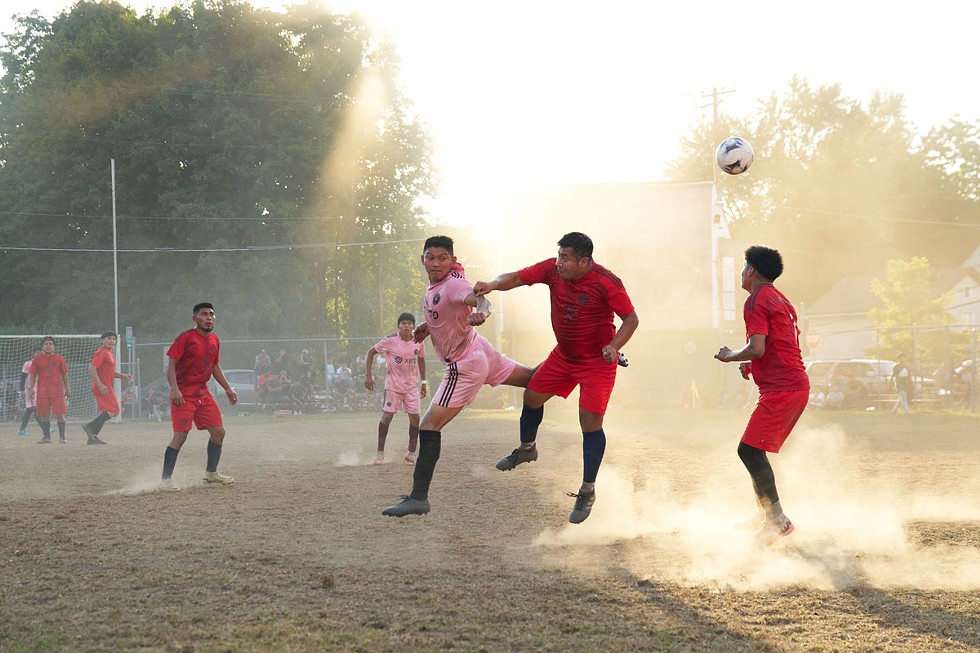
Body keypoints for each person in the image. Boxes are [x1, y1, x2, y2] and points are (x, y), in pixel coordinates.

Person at [474, 231, 639, 524]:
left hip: (596, 363)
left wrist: (614, 347)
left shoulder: (606, 282)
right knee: (531, 396)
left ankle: (587, 490)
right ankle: (527, 450)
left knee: (589, 422)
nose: (559, 262)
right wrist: (492, 285)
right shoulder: (552, 270)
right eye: (559, 255)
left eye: (565, 258)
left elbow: (631, 319)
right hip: (563, 356)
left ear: (584, 261)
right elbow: (515, 277)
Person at [382, 235, 538, 517]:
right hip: (480, 350)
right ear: (422, 260)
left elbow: (476, 299)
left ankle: (418, 498)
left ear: (452, 261)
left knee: (428, 427)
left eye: (443, 258)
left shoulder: (453, 284)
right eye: (431, 257)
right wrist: (427, 325)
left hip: (464, 365)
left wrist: (482, 310)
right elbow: (445, 310)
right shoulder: (438, 285)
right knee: (534, 379)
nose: (436, 263)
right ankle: (579, 370)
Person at [714, 245, 810, 545]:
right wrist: (754, 366)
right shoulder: (781, 298)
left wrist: (731, 356)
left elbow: (757, 347)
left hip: (783, 388)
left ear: (751, 270)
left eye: (743, 267)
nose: (741, 273)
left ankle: (777, 521)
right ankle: (766, 514)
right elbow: (776, 347)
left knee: (749, 451)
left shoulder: (756, 299)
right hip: (792, 385)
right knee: (755, 451)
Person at [159, 302, 238, 491]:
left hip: (203, 393)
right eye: (204, 314)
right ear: (195, 318)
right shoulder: (186, 338)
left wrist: (227, 388)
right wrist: (175, 389)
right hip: (183, 394)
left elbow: (214, 366)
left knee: (219, 432)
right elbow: (171, 365)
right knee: (180, 436)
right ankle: (165, 481)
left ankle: (211, 474)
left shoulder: (215, 340)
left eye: (211, 314)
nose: (209, 317)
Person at [365, 312, 428, 465]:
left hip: (412, 387)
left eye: (409, 323)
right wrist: (368, 375)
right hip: (393, 386)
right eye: (403, 323)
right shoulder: (390, 340)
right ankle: (380, 453)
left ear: (413, 326)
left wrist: (424, 382)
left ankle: (411, 453)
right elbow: (370, 353)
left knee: (415, 417)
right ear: (399, 326)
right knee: (387, 417)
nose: (406, 326)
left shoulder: (418, 340)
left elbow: (421, 360)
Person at [81, 331, 134, 445]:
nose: (112, 341)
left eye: (114, 339)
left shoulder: (108, 353)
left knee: (105, 412)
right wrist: (100, 385)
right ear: (102, 340)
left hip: (104, 386)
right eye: (108, 338)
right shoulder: (102, 352)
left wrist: (122, 376)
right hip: (103, 387)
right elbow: (92, 368)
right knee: (114, 410)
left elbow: (109, 372)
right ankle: (89, 427)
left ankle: (92, 437)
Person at [28, 336, 71, 444]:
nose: (48, 346)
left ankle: (62, 437)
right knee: (44, 415)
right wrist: (31, 388)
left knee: (60, 414)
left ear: (54, 347)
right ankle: (47, 437)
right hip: (42, 392)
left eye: (51, 344)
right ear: (42, 346)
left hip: (58, 392)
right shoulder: (37, 359)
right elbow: (32, 374)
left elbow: (65, 374)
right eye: (46, 344)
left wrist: (68, 388)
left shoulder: (59, 358)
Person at [17, 347, 43, 436]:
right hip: (29, 390)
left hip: (38, 390)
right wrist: (22, 390)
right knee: (35, 409)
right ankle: (45, 429)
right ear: (34, 354)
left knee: (30, 410)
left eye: (40, 353)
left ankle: (22, 429)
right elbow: (23, 378)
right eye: (37, 353)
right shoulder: (28, 364)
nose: (38, 355)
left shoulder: (42, 365)